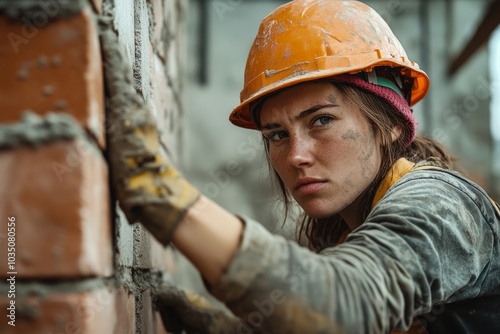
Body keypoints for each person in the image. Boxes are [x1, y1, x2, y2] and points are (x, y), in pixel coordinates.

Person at [106, 0, 500, 333]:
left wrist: (164, 197)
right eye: (276, 134)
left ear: (391, 125)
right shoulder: (343, 233)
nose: (296, 155)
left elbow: (345, 304)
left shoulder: (440, 207)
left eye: (321, 120)